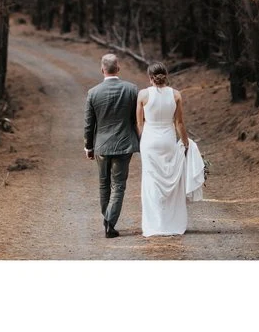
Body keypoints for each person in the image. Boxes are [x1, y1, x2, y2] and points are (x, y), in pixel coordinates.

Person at [82, 53, 140, 238]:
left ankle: (108, 219)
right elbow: (137, 120)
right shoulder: (132, 90)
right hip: (124, 144)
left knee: (103, 184)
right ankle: (110, 221)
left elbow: (89, 124)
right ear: (118, 68)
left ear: (102, 69)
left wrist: (89, 147)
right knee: (119, 185)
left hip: (101, 145)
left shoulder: (93, 93)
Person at [135, 64, 192, 238]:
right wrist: (186, 142)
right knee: (170, 179)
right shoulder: (176, 94)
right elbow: (179, 123)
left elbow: (140, 123)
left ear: (150, 77)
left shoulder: (143, 95)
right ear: (166, 76)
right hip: (168, 140)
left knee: (151, 182)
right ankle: (171, 222)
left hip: (149, 140)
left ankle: (154, 223)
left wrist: (143, 140)